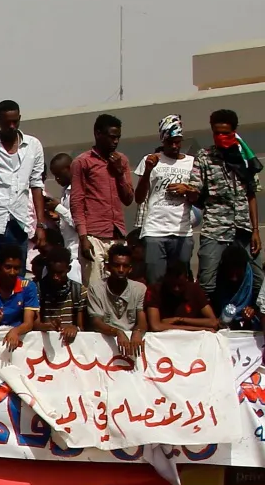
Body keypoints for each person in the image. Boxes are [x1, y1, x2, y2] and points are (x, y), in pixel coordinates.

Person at [194, 109, 259, 312]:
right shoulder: (204, 157)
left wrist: (256, 230)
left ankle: (253, 317)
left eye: (225, 133)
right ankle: (209, 323)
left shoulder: (245, 158)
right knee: (206, 281)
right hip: (215, 228)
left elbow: (251, 195)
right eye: (216, 133)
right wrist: (188, 191)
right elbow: (195, 191)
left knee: (258, 278)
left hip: (243, 228)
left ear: (234, 132)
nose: (221, 137)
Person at [0, 100, 48, 268]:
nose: (12, 126)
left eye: (15, 121)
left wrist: (40, 224)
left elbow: (36, 185)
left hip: (19, 223)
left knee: (15, 279)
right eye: (7, 123)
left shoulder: (33, 146)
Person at [70, 114, 137, 284]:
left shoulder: (121, 160)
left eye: (118, 138)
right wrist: (83, 238)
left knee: (119, 287)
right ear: (98, 134)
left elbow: (129, 199)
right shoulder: (83, 162)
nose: (115, 142)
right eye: (112, 137)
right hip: (94, 235)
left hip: (118, 233)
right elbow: (77, 201)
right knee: (95, 289)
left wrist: (119, 172)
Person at [139, 116, 202, 285]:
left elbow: (198, 199)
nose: (174, 146)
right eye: (170, 142)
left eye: (177, 142)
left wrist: (186, 189)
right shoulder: (151, 160)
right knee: (156, 282)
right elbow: (138, 197)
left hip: (182, 231)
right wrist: (147, 171)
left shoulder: (191, 162)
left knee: (179, 283)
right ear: (163, 139)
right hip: (155, 231)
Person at [86, 242, 149, 357]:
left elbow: (142, 320)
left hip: (131, 343)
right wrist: (117, 332)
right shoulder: (96, 288)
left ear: (130, 269)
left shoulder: (140, 289)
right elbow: (96, 322)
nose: (121, 270)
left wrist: (138, 331)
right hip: (104, 344)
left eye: (125, 266)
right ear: (108, 267)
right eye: (116, 265)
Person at [149, 267, 220, 332]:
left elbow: (213, 322)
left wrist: (179, 320)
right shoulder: (156, 291)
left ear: (186, 280)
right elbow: (156, 326)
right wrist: (200, 328)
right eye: (173, 285)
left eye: (180, 285)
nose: (176, 289)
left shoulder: (194, 289)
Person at [36, 247, 83, 345]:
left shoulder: (79, 291)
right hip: (44, 344)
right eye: (52, 272)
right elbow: (34, 325)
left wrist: (74, 328)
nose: (55, 277)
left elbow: (81, 327)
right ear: (48, 269)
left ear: (68, 269)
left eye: (60, 273)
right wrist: (48, 327)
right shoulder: (38, 289)